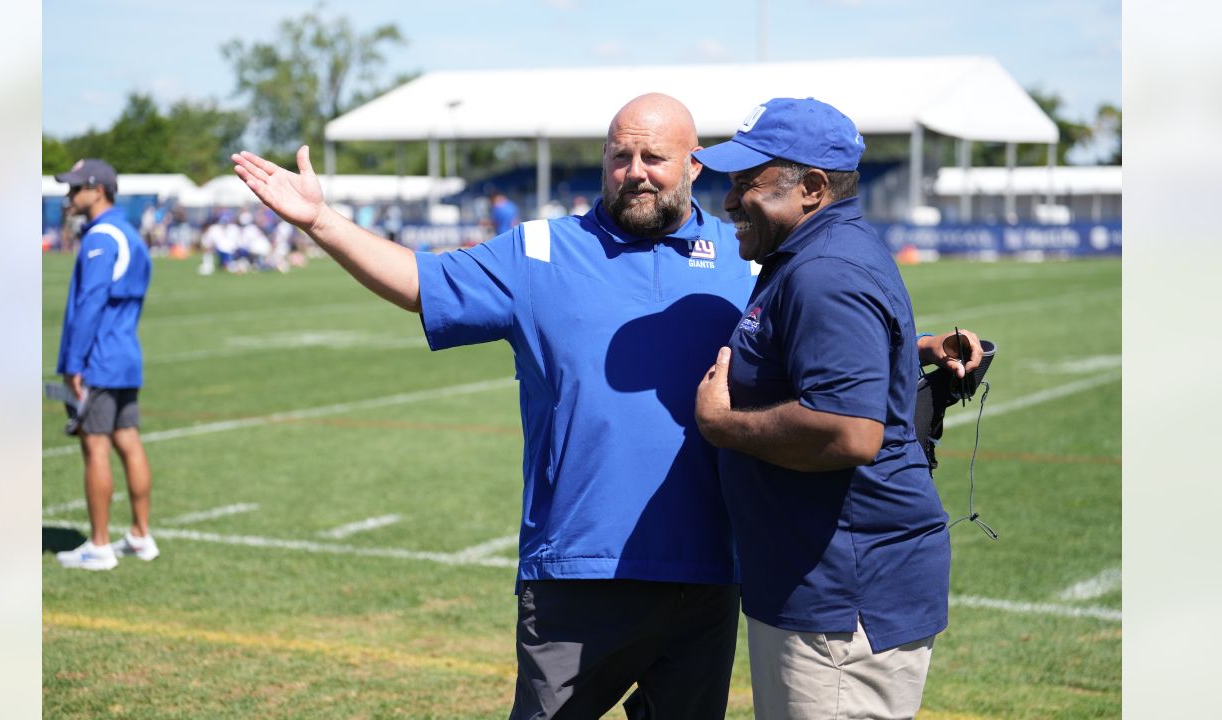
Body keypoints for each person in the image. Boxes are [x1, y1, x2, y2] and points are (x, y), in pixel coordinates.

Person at [232, 93, 976, 719]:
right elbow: (420, 283)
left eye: (654, 157)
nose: (636, 172)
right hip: (580, 576)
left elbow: (814, 335)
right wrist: (321, 223)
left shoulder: (746, 247)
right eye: (621, 156)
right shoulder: (539, 252)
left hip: (711, 575)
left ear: (694, 165)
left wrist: (912, 348)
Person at [692, 98, 975, 719]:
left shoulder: (824, 271)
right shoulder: (814, 256)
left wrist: (724, 425)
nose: (730, 201)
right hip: (824, 589)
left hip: (841, 602)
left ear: (813, 188)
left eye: (748, 183)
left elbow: (848, 433)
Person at [52, 159, 158, 571]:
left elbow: (90, 302)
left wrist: (74, 362)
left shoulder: (102, 237)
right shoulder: (129, 232)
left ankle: (98, 546)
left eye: (76, 188)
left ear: (98, 190)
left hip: (99, 356)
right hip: (125, 351)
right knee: (128, 441)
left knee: (94, 445)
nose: (69, 196)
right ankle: (140, 535)